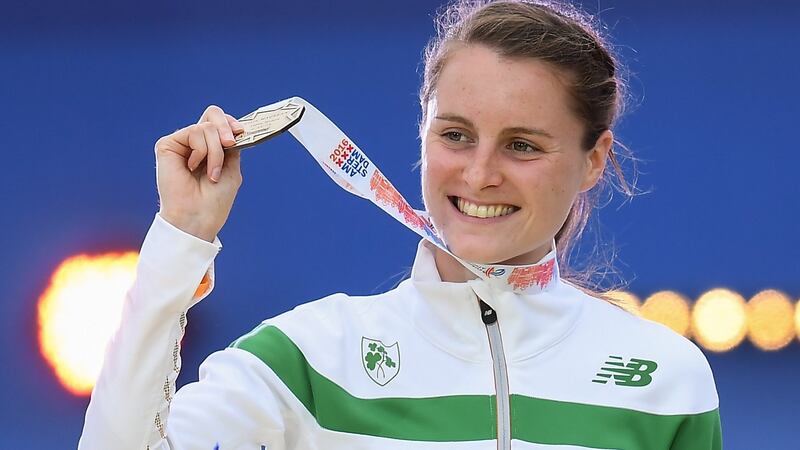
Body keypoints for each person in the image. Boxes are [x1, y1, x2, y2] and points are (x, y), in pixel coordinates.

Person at [79, 1, 722, 449]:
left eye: (523, 145)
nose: (479, 174)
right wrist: (181, 237)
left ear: (593, 161)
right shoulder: (309, 361)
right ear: (422, 134)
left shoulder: (665, 378)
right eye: (456, 135)